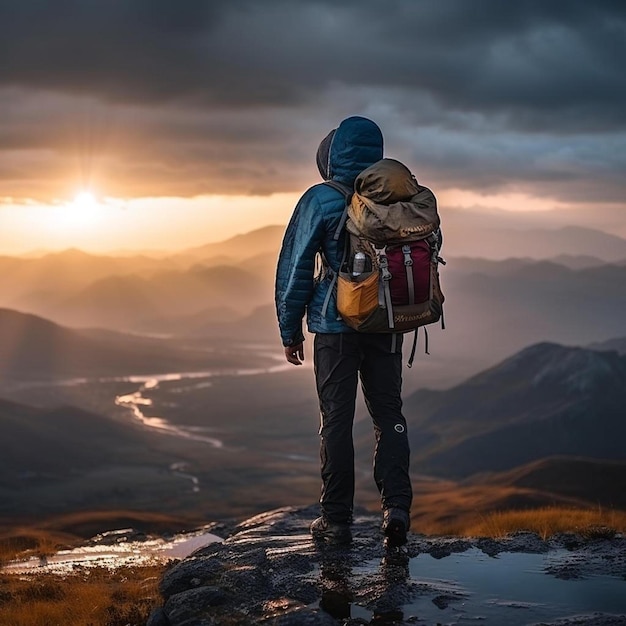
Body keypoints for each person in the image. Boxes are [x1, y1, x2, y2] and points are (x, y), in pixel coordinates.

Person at [275, 116, 412, 547]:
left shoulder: (320, 199)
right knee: (388, 415)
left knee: (336, 419)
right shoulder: (399, 195)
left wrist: (290, 328)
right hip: (387, 322)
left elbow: (295, 267)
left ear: (332, 156)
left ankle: (335, 520)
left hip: (336, 326)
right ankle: (397, 509)